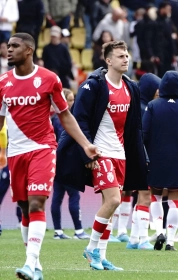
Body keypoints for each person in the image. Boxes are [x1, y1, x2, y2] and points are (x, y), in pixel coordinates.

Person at [0, 32, 100, 280]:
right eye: (8, 46)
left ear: (29, 50)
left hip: (42, 148)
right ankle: (36, 267)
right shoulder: (3, 82)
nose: (8, 49)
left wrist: (86, 144)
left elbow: (65, 115)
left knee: (36, 202)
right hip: (16, 152)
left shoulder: (48, 79)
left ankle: (30, 263)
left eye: (14, 46)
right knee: (24, 208)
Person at [55, 40, 148, 270]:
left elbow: (134, 126)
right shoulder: (94, 85)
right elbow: (81, 120)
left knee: (110, 204)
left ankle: (102, 256)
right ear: (108, 61)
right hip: (100, 152)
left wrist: (139, 154)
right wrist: (87, 154)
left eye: (126, 55)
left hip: (120, 153)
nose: (126, 59)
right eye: (120, 56)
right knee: (115, 199)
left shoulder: (130, 87)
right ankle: (90, 248)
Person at [142, 71, 178, 251]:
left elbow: (145, 133)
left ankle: (159, 229)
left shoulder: (152, 106)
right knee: (175, 200)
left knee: (155, 196)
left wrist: (145, 156)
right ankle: (171, 241)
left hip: (156, 157)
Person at [126, 73, 161, 251]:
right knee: (145, 197)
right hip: (142, 157)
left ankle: (133, 238)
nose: (158, 92)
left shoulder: (137, 105)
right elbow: (143, 136)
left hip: (134, 156)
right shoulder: (145, 109)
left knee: (139, 197)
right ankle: (143, 239)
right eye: (157, 88)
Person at [50, 89, 90, 240]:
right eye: (70, 100)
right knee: (74, 196)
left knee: (58, 196)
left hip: (56, 162)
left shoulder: (54, 120)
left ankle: (58, 231)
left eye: (73, 100)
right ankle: (79, 230)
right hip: (68, 162)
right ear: (63, 101)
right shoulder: (69, 121)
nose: (73, 103)